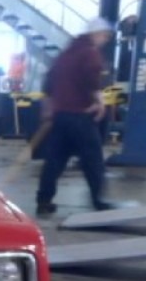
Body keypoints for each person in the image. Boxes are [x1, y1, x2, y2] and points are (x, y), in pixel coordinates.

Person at [35, 17, 115, 215]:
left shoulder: (66, 53)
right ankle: (100, 201)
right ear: (95, 34)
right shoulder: (90, 53)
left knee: (54, 160)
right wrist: (99, 100)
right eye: (104, 35)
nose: (105, 40)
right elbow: (91, 78)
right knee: (93, 159)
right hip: (80, 116)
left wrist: (48, 107)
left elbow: (48, 81)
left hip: (60, 116)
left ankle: (44, 201)